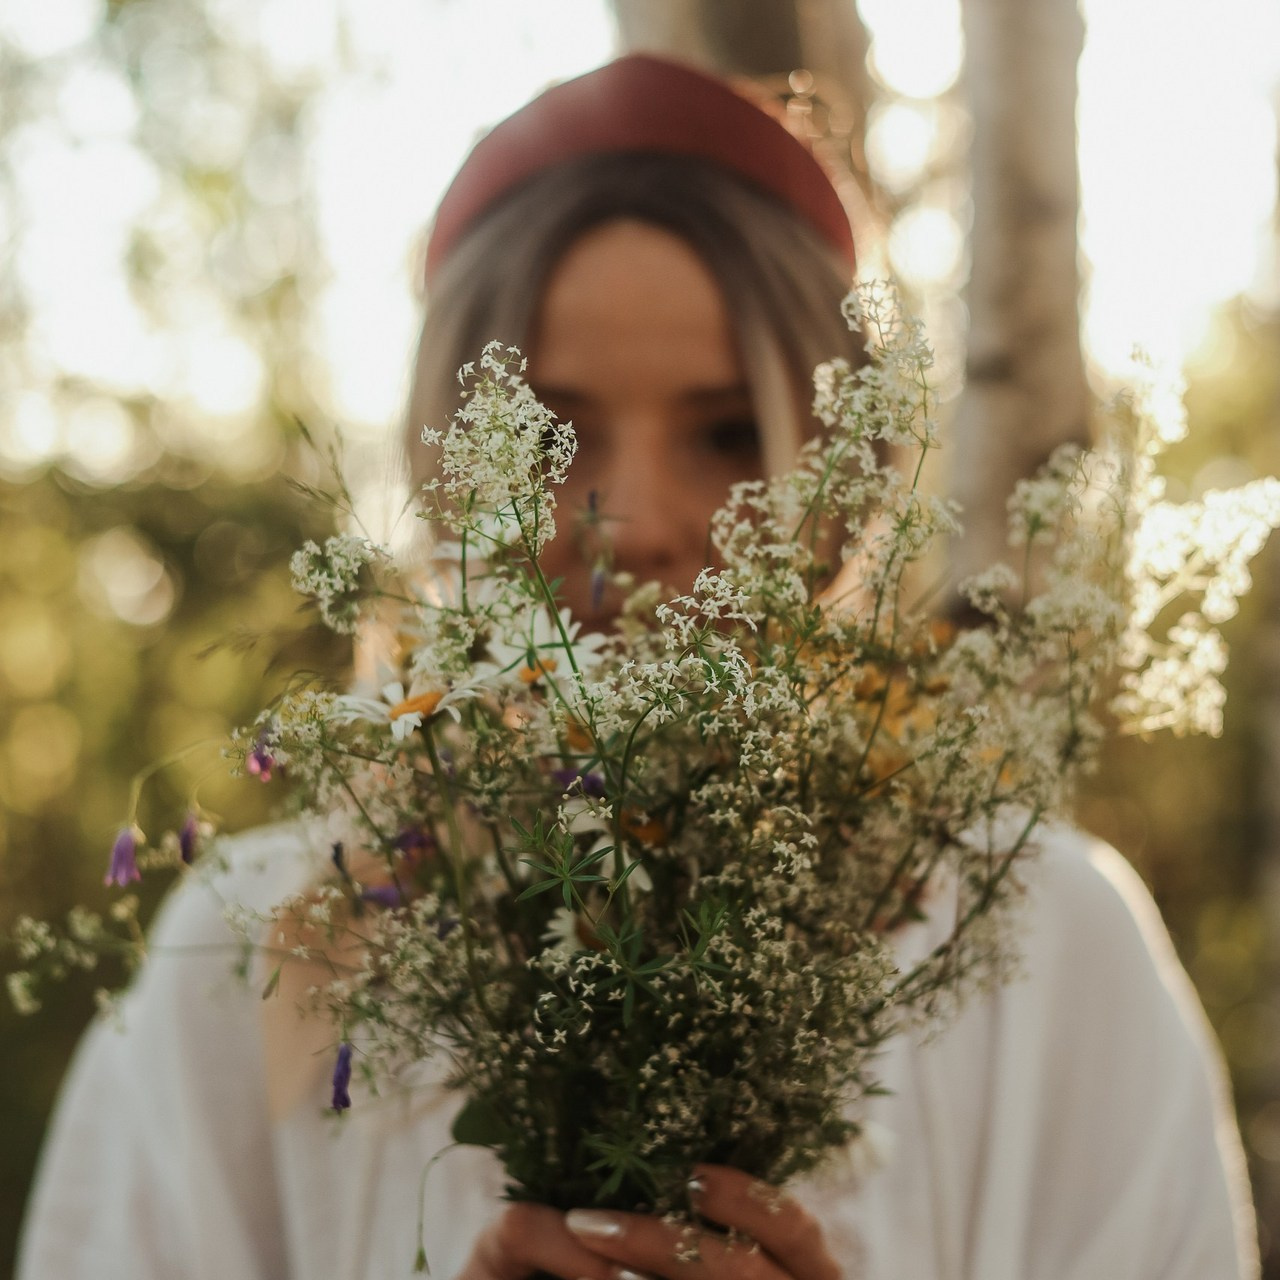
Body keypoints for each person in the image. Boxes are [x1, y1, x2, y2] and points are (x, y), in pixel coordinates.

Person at [17, 53, 1260, 1280]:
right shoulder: (264, 956)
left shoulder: (1047, 946)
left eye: (727, 430)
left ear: (846, 468)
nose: (638, 518)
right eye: (551, 434)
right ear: (447, 466)